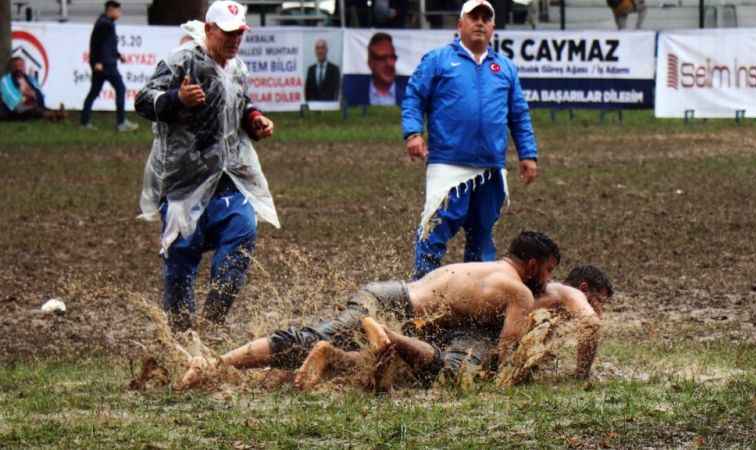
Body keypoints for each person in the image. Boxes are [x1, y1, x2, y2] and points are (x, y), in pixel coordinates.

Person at [177, 231, 560, 389]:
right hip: (395, 310)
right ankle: (212, 365)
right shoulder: (520, 294)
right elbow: (509, 354)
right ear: (532, 264)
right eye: (547, 270)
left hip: (386, 295)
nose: (546, 279)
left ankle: (217, 364)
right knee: (437, 371)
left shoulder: (483, 268)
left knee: (313, 338)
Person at [134, 0, 280, 332]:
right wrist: (177, 100)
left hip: (229, 175)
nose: (235, 40)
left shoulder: (238, 68)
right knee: (182, 257)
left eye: (240, 33)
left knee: (242, 236)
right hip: (184, 180)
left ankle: (211, 324)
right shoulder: (182, 61)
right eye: (228, 33)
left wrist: (255, 120)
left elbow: (240, 104)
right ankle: (182, 335)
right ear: (209, 29)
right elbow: (143, 100)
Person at [293, 264, 613, 390]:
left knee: (405, 372)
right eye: (601, 301)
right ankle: (386, 334)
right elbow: (590, 325)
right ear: (584, 288)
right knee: (449, 379)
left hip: (456, 326)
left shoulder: (549, 308)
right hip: (473, 333)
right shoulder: (568, 295)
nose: (600, 310)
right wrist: (581, 374)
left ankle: (330, 356)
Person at [402, 0, 539, 280]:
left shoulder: (505, 68)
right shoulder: (438, 60)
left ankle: (476, 303)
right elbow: (414, 96)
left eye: (485, 19)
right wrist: (413, 133)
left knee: (482, 237)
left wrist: (528, 154)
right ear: (459, 25)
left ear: (492, 27)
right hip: (448, 163)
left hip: (490, 167)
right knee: (434, 232)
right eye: (473, 17)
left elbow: (519, 114)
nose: (480, 23)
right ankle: (420, 294)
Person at [80, 1, 138, 131]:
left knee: (94, 92)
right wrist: (99, 62)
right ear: (111, 10)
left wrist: (118, 55)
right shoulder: (105, 24)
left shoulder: (105, 22)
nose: (120, 13)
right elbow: (98, 45)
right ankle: (121, 123)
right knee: (121, 89)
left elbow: (107, 45)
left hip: (104, 63)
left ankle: (84, 123)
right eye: (118, 11)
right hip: (106, 65)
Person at [0, 57, 65, 121]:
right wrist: (24, 93)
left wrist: (33, 94)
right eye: (16, 66)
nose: (19, 68)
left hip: (31, 105)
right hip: (15, 108)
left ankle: (56, 114)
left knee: (38, 108)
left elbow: (39, 92)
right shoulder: (6, 81)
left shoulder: (29, 79)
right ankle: (53, 115)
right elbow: (11, 99)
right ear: (12, 68)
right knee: (31, 109)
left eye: (21, 66)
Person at [367, 32, 399, 106]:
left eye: (392, 57)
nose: (390, 64)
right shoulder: (353, 93)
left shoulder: (409, 94)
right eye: (382, 58)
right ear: (370, 63)